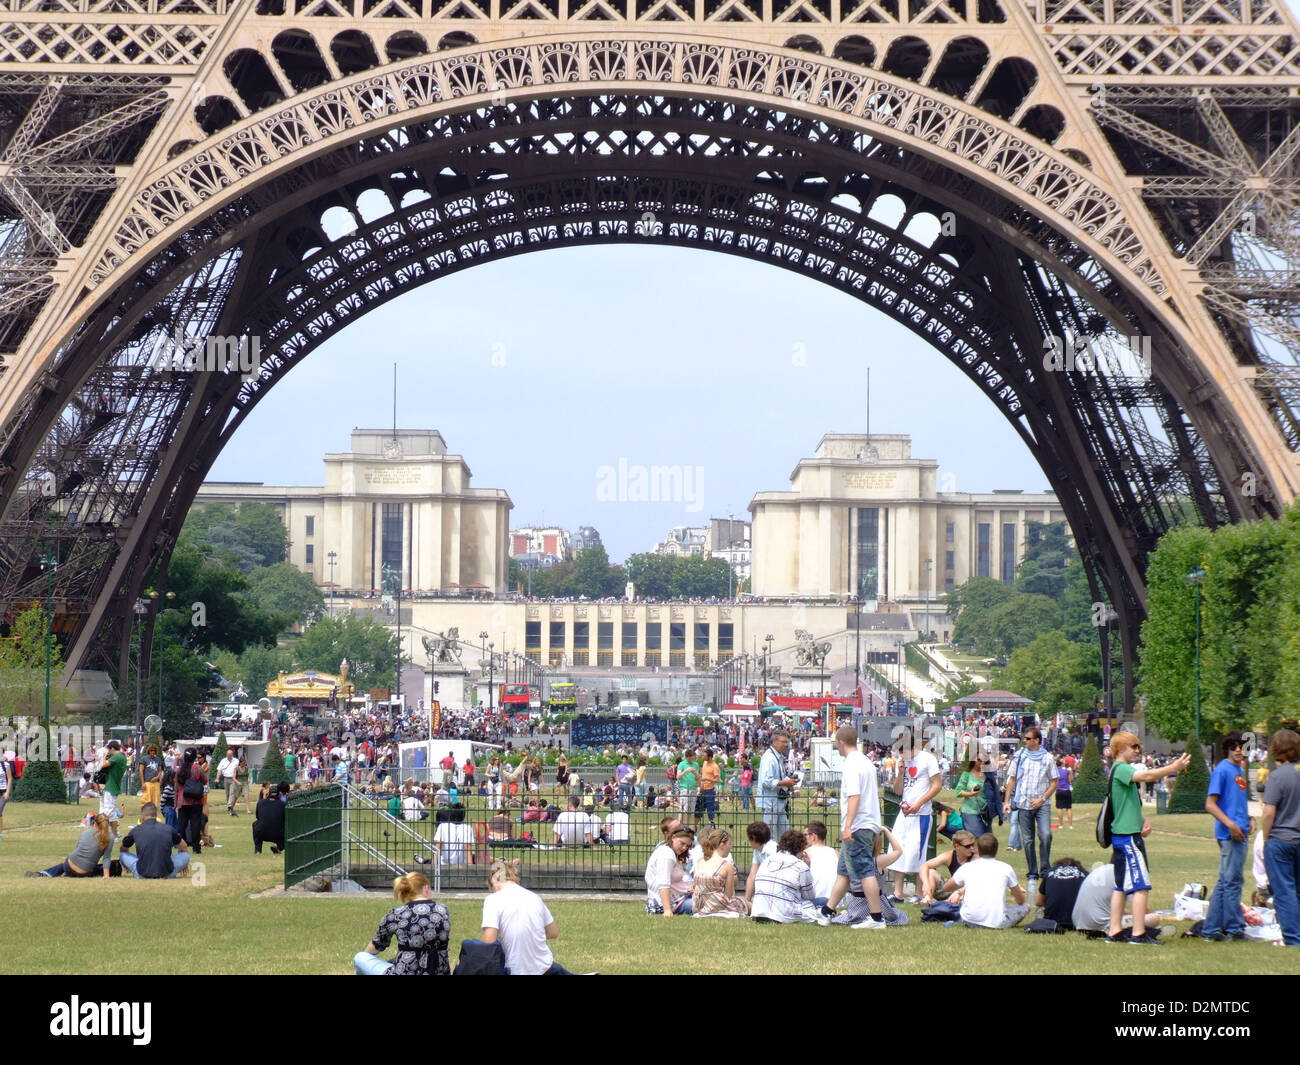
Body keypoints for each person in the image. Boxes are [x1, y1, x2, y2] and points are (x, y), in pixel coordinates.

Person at [1105, 732, 1189, 944]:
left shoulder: (1117, 771)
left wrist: (1142, 819)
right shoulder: (1122, 769)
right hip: (1128, 837)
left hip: (1122, 834)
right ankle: (1138, 933)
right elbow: (1147, 777)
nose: (1137, 750)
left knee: (1120, 886)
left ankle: (1114, 931)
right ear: (1120, 748)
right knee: (1141, 885)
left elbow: (1125, 803)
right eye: (1133, 746)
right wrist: (1173, 768)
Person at [816, 725, 885, 928]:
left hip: (858, 825)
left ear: (841, 742)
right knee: (844, 872)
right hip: (867, 822)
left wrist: (848, 826)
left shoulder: (852, 765)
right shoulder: (866, 762)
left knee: (865, 871)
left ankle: (876, 918)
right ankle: (827, 911)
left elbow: (854, 796)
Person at [1202, 730, 1252, 942]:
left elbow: (1234, 802)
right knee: (1232, 882)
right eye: (1234, 747)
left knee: (1227, 881)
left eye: (1242, 746)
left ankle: (1212, 930)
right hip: (1230, 834)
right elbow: (1210, 804)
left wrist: (1248, 817)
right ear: (1227, 749)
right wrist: (1231, 824)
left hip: (1240, 831)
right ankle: (1234, 928)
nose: (1239, 750)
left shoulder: (1239, 770)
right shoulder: (1222, 770)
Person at [481, 859, 569, 973]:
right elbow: (553, 932)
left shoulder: (492, 900)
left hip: (515, 970)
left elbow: (489, 940)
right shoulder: (534, 897)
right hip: (547, 968)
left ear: (494, 882)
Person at [354, 872, 451, 975]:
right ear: (426, 888)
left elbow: (377, 945)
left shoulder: (396, 914)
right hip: (438, 971)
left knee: (360, 957)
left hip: (404, 971)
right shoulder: (443, 910)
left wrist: (367, 956)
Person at [1002, 727, 1057, 894]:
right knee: (1027, 840)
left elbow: (1054, 782)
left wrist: (1043, 798)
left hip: (1042, 805)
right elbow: (1011, 780)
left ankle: (1045, 868)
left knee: (1046, 834)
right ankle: (1033, 871)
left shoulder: (1047, 758)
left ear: (1037, 740)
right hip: (1023, 803)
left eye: (1028, 738)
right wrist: (1007, 801)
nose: (1024, 741)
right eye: (1024, 738)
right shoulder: (1020, 757)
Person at [889, 734, 942, 902]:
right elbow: (898, 791)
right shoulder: (902, 762)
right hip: (904, 813)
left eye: (904, 751)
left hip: (921, 815)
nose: (902, 755)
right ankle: (898, 892)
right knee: (898, 850)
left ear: (912, 748)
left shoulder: (927, 759)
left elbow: (937, 785)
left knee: (917, 853)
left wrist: (920, 803)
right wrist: (901, 772)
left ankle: (918, 893)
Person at [938, 832, 1028, 930]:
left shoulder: (967, 867)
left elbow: (946, 887)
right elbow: (1020, 900)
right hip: (996, 923)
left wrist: (960, 890)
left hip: (969, 920)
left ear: (978, 850)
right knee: (1025, 907)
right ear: (996, 850)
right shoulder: (1006, 868)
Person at [1262, 728, 1300, 947]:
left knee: (1285, 891)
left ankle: (1293, 938)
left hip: (1282, 838)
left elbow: (1268, 813)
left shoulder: (1277, 776)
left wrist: (1266, 839)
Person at [1069, 863, 1167, 936]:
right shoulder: (1123, 874)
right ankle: (1154, 930)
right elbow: (1144, 910)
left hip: (1079, 924)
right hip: (1099, 927)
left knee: (1126, 912)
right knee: (1155, 918)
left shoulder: (1102, 870)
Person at [750, 829, 821, 924]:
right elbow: (809, 896)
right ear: (800, 849)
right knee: (823, 901)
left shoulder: (767, 860)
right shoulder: (801, 866)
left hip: (759, 912)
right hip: (783, 914)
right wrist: (808, 866)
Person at [28, 813, 114, 878]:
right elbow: (106, 858)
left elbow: (78, 849)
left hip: (68, 864)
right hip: (84, 872)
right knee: (100, 868)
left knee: (63, 865)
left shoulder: (85, 833)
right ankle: (63, 874)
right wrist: (106, 875)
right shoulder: (110, 837)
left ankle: (45, 873)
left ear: (94, 823)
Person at [119, 802, 190, 879]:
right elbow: (184, 846)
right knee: (185, 856)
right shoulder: (168, 829)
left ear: (142, 817)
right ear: (156, 816)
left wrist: (127, 864)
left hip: (142, 873)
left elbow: (123, 848)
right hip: (168, 873)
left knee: (122, 854)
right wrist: (183, 864)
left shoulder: (136, 830)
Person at [692, 828, 749, 916]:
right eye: (729, 844)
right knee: (747, 905)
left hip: (699, 905)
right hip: (718, 906)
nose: (731, 847)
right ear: (722, 844)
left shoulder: (699, 862)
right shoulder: (726, 865)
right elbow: (728, 896)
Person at [758, 731, 798, 839]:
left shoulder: (778, 756)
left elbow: (780, 777)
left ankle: (785, 854)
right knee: (770, 835)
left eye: (787, 742)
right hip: (770, 802)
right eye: (783, 742)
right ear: (774, 742)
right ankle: (770, 855)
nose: (786, 745)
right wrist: (786, 783)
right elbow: (766, 781)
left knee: (785, 834)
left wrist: (791, 782)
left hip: (779, 802)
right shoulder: (769, 758)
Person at [919, 829, 977, 904]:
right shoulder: (949, 856)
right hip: (953, 890)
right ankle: (927, 899)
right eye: (968, 846)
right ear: (957, 846)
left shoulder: (976, 859)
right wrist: (926, 884)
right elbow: (925, 866)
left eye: (973, 845)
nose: (972, 848)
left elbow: (977, 883)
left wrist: (959, 893)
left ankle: (948, 903)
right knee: (931, 872)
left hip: (968, 892)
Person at [646, 827, 695, 915]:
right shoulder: (666, 855)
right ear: (673, 837)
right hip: (665, 904)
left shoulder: (669, 851)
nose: (684, 848)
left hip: (679, 898)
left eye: (687, 846)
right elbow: (663, 883)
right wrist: (667, 910)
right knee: (707, 904)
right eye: (682, 843)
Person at [1035, 856, 1088, 927]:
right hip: (1079, 922)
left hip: (1051, 922)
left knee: (1039, 909)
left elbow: (1038, 902)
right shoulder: (1085, 873)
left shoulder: (1050, 872)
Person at [176, 749, 206, 854]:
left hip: (182, 801)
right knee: (195, 824)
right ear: (194, 758)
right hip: (196, 800)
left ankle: (182, 846)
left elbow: (177, 786)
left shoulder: (179, 769)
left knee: (182, 825)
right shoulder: (197, 768)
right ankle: (196, 848)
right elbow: (204, 780)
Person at [802, 821, 839, 905]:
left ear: (813, 836)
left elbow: (802, 881)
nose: (803, 838)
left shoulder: (805, 853)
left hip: (814, 900)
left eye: (805, 835)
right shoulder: (835, 852)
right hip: (835, 901)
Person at [744, 820, 777, 905]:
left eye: (749, 838)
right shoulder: (757, 850)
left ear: (754, 838)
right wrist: (746, 903)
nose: (748, 841)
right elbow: (752, 876)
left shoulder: (772, 850)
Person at [953, 757, 989, 837]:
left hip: (985, 812)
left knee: (986, 840)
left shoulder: (988, 774)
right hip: (970, 811)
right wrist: (971, 794)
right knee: (977, 838)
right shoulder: (967, 774)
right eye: (979, 760)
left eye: (984, 760)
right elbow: (958, 792)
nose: (982, 763)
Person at [254, 781, 290, 854]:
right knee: (287, 827)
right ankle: (278, 846)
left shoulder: (260, 803)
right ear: (278, 794)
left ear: (269, 793)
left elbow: (258, 817)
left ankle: (258, 850)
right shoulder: (282, 804)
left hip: (262, 833)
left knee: (255, 824)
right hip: (278, 835)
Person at [696, 749, 721, 830]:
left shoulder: (715, 766)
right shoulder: (704, 763)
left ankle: (712, 825)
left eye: (705, 755)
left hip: (710, 790)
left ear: (709, 757)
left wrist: (709, 779)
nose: (703, 756)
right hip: (702, 789)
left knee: (710, 809)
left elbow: (718, 779)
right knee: (699, 808)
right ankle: (696, 826)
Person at [676, 750, 700, 820]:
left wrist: (695, 773)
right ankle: (679, 825)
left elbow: (698, 777)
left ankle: (686, 827)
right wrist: (686, 770)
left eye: (693, 758)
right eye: (690, 758)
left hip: (693, 788)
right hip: (685, 788)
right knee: (682, 809)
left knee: (690, 810)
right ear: (687, 757)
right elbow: (678, 776)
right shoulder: (682, 764)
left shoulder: (696, 764)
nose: (692, 759)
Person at [218, 747, 240, 816]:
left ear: (232, 754)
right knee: (227, 794)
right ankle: (229, 807)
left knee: (231, 793)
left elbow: (238, 769)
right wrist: (217, 778)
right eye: (228, 755)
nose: (229, 756)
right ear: (226, 755)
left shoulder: (236, 761)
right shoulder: (223, 761)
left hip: (233, 779)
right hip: (226, 778)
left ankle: (230, 806)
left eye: (230, 755)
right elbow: (219, 770)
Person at [139, 744, 162, 812]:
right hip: (147, 782)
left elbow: (160, 771)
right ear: (149, 751)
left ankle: (153, 816)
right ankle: (145, 815)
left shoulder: (158, 759)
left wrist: (157, 777)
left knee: (155, 801)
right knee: (146, 801)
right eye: (151, 750)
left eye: (154, 751)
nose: (153, 752)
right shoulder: (144, 759)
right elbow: (141, 771)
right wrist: (143, 783)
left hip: (156, 783)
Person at [1055, 755, 1075, 830]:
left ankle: (1061, 825)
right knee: (1069, 808)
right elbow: (1070, 780)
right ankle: (1070, 825)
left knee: (1060, 808)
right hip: (1066, 790)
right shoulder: (1067, 771)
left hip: (1059, 790)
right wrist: (1071, 772)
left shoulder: (1056, 770)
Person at [0, 750, 12, 842]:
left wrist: (7, 792)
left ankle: (0, 834)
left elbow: (9, 778)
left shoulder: (5, 765)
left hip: (3, 791)